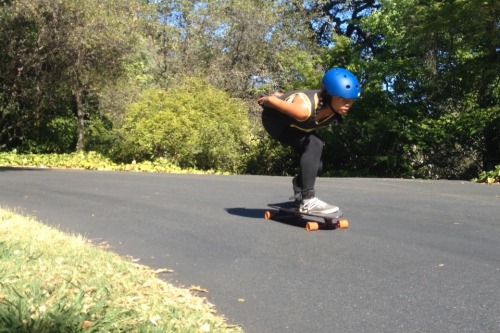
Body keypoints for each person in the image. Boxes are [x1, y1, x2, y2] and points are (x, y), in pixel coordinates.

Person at [258, 68, 361, 214]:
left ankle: (300, 189)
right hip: (276, 123)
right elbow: (270, 101)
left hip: (297, 125)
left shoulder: (335, 109)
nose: (348, 104)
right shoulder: (303, 109)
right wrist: (269, 99)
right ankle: (308, 200)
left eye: (352, 100)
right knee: (314, 143)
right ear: (328, 95)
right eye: (343, 99)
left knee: (315, 165)